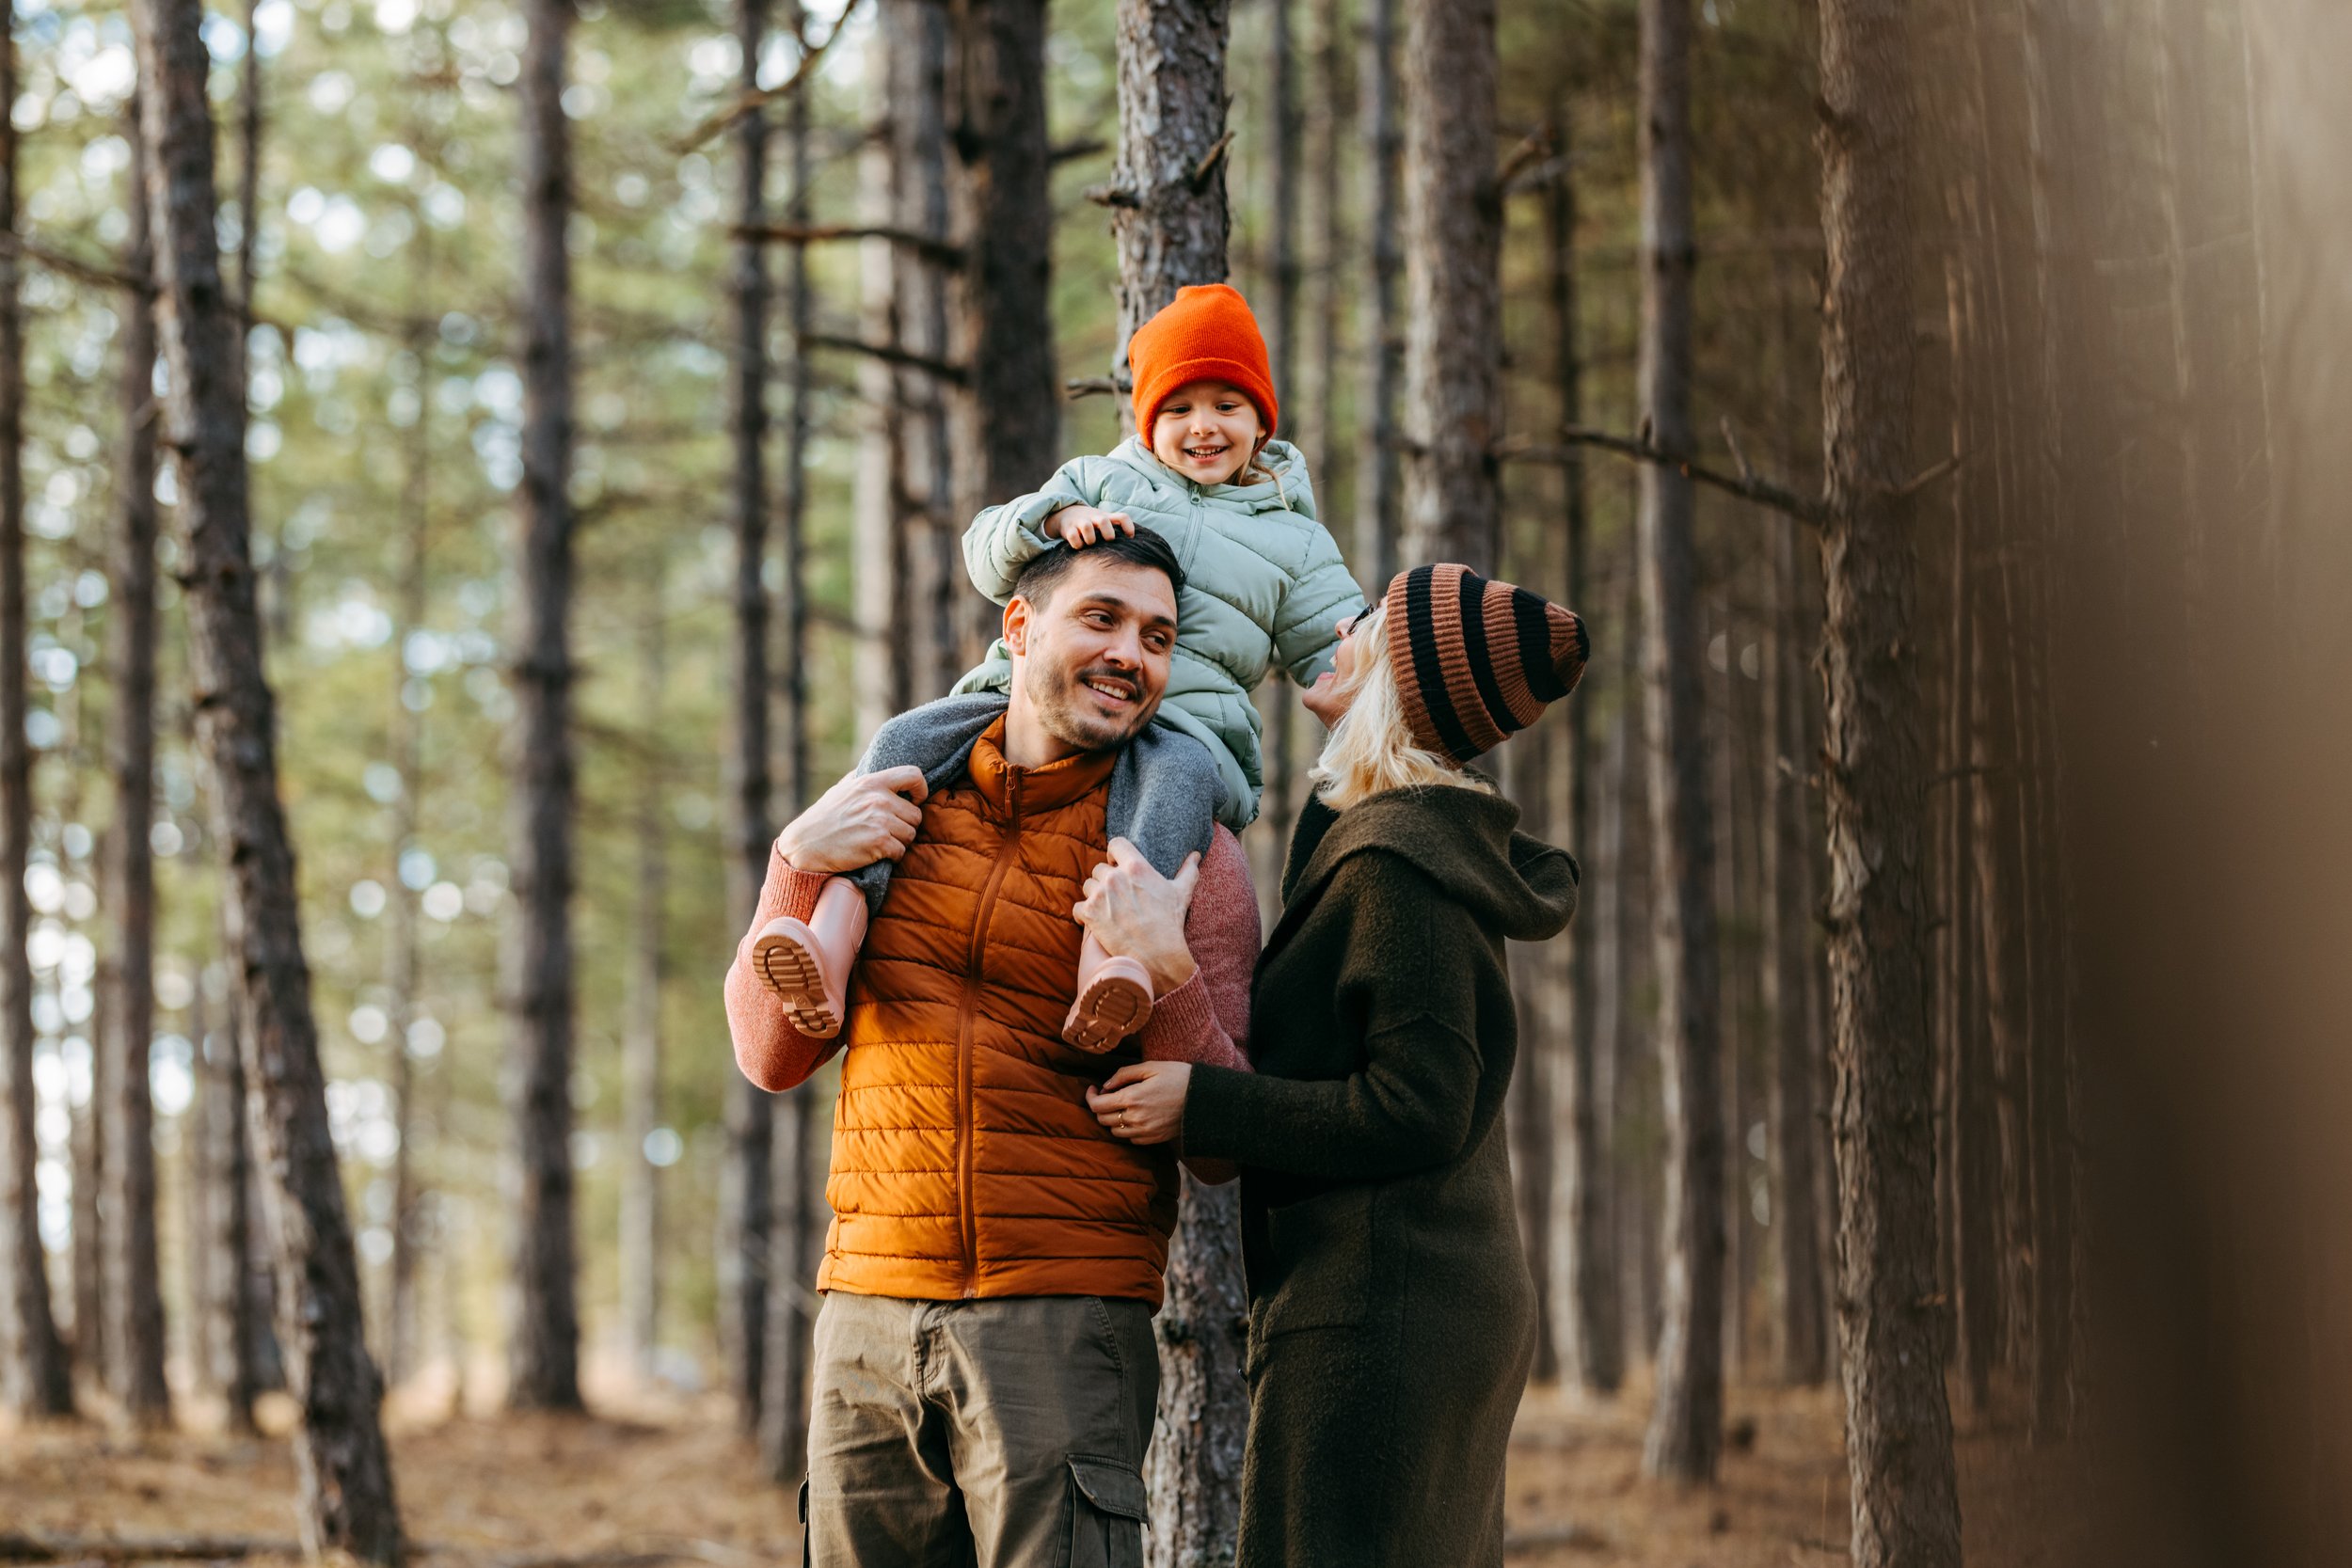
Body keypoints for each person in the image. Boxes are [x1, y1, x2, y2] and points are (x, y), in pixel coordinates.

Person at [723, 530, 1259, 1568]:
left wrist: (1169, 969)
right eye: (1100, 618)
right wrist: (792, 866)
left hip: (1065, 1317)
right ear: (1019, 625)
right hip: (866, 1318)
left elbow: (1224, 1138)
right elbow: (769, 1057)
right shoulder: (891, 809)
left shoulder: (1193, 853)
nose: (1131, 656)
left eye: (1157, 637)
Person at [1082, 562, 1590, 1568]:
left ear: (1397, 676)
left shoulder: (1400, 864)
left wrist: (1208, 1101)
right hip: (1407, 1291)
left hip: (1386, 1307)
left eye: (1368, 625)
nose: (1338, 630)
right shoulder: (1390, 837)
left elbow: (1420, 1106)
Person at [749, 282, 1363, 1053]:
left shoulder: (1293, 541)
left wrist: (1363, 669)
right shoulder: (1104, 478)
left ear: (1262, 419)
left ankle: (1110, 972)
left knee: (1160, 817)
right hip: (1018, 702)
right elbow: (986, 548)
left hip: (1186, 732)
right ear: (1147, 419)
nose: (1202, 427)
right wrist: (1053, 519)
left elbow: (1335, 638)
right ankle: (829, 940)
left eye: (1227, 406)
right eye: (1178, 409)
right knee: (904, 741)